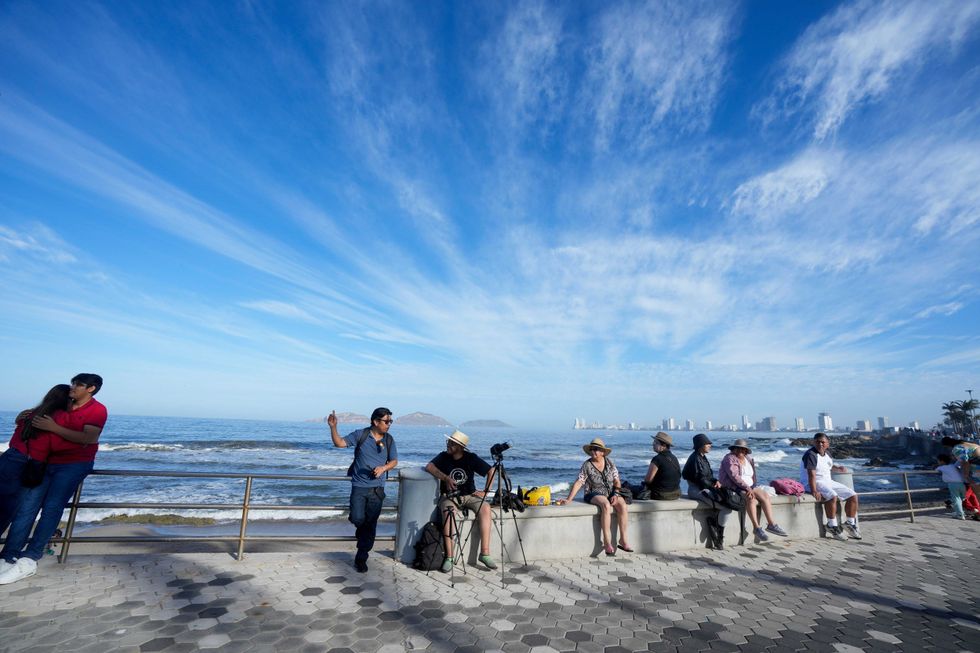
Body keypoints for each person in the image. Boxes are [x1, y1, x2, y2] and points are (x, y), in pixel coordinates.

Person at [0, 374, 108, 585]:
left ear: (91, 389)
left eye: (78, 384)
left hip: (72, 465)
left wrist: (54, 428)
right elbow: (32, 423)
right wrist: (24, 417)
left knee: (52, 507)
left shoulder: (97, 410)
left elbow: (89, 438)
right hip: (45, 463)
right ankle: (9, 554)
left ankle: (31, 556)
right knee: (27, 507)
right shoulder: (63, 406)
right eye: (73, 383)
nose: (73, 387)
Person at [328, 407, 399, 573]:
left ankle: (361, 558)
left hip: (377, 489)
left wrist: (383, 468)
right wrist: (333, 427)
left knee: (370, 525)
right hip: (359, 487)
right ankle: (362, 533)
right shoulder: (361, 435)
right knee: (358, 519)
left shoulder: (389, 440)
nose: (389, 424)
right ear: (375, 421)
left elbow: (394, 461)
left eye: (390, 421)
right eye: (386, 421)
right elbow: (339, 443)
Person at [0, 384, 71, 536]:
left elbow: (14, 441)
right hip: (29, 464)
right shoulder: (59, 418)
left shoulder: (30, 413)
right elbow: (56, 446)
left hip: (9, 457)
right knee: (9, 509)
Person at [425, 430, 497, 573]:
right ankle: (449, 557)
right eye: (449, 442)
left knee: (485, 508)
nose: (448, 445)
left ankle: (484, 553)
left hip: (470, 495)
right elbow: (429, 467)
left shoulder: (471, 458)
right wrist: (446, 478)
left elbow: (491, 470)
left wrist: (486, 491)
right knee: (448, 512)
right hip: (449, 497)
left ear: (460, 446)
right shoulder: (443, 456)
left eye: (451, 443)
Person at [555, 437, 633, 556]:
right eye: (592, 449)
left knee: (622, 504)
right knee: (606, 505)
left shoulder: (610, 463)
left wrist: (616, 494)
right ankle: (607, 542)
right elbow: (579, 482)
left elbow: (617, 481)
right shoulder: (587, 465)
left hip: (611, 492)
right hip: (593, 493)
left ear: (602, 452)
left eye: (596, 449)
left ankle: (623, 540)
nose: (593, 451)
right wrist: (569, 499)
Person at [719, 439, 788, 542]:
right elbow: (734, 477)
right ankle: (756, 528)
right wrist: (747, 488)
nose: (741, 451)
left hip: (750, 486)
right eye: (738, 449)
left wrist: (753, 486)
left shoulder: (748, 458)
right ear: (734, 449)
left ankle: (771, 524)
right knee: (751, 499)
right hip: (735, 486)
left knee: (765, 495)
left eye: (743, 449)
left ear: (746, 450)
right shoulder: (729, 459)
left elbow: (752, 475)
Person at [800, 432, 861, 541]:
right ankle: (831, 525)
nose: (820, 444)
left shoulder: (827, 453)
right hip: (813, 482)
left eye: (823, 442)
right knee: (832, 496)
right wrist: (814, 490)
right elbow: (811, 474)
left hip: (828, 481)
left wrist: (838, 469)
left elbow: (828, 467)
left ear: (828, 443)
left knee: (853, 495)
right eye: (817, 442)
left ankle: (850, 523)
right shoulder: (811, 455)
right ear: (814, 442)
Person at [681, 433, 732, 549]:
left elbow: (707, 476)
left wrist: (716, 481)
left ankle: (716, 529)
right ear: (700, 445)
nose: (710, 445)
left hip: (703, 487)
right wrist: (714, 486)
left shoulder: (702, 457)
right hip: (696, 490)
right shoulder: (695, 458)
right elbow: (701, 480)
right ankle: (718, 536)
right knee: (726, 508)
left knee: (726, 503)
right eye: (707, 443)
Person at [644, 432, 681, 500]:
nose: (653, 444)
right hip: (676, 493)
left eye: (655, 442)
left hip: (662, 494)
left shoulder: (657, 459)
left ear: (663, 445)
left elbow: (648, 480)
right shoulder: (674, 458)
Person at [937, 453, 968, 520]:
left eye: (938, 461)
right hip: (962, 484)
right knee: (961, 498)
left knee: (956, 499)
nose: (938, 462)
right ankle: (960, 512)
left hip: (953, 484)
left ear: (942, 461)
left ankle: (960, 514)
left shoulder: (942, 467)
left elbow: (937, 470)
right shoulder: (953, 466)